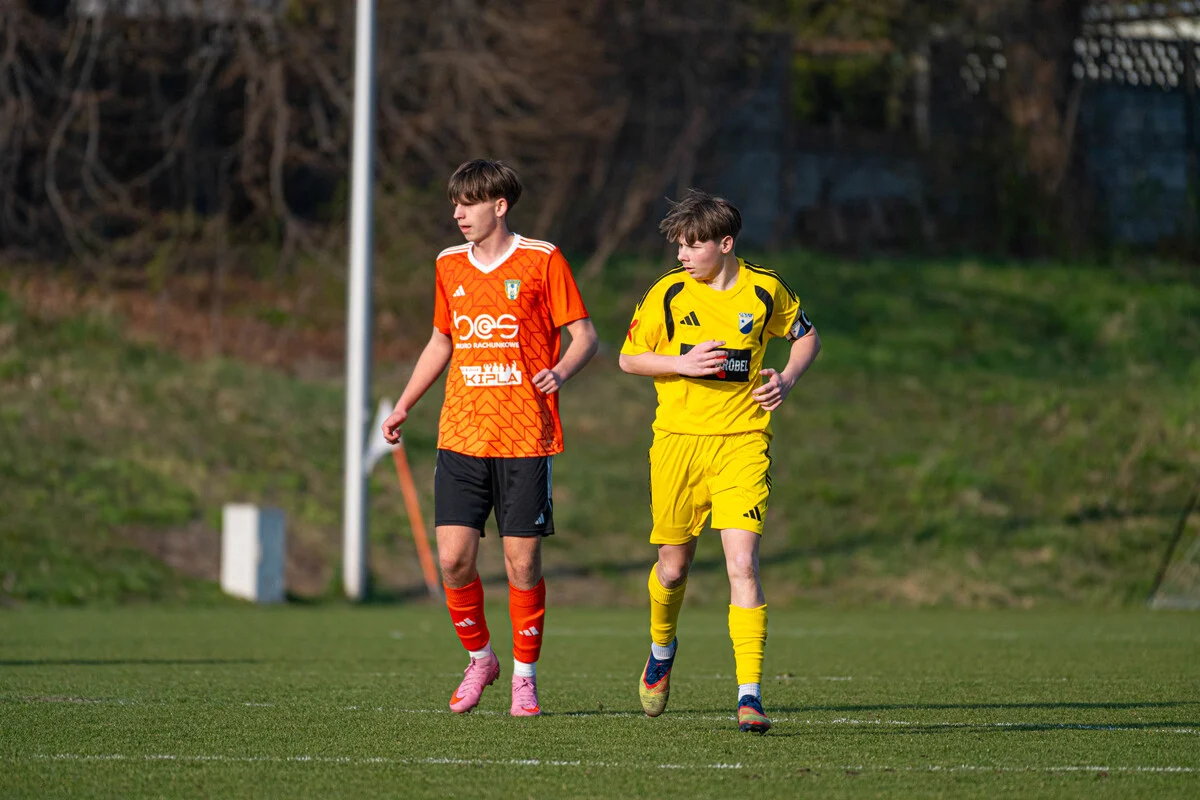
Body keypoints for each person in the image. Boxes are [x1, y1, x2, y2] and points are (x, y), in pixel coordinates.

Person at [382, 159, 598, 717]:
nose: (457, 213)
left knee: (522, 565)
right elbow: (440, 341)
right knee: (453, 560)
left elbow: (585, 336)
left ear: (499, 206)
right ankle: (481, 658)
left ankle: (525, 678)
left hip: (526, 435)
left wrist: (563, 372)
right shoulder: (448, 265)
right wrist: (405, 404)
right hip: (461, 433)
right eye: (454, 203)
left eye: (469, 203)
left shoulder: (541, 259)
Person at [618, 189, 821, 733]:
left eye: (692, 245)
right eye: (678, 246)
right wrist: (680, 363)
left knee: (742, 565)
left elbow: (806, 337)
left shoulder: (765, 289)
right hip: (679, 443)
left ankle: (750, 696)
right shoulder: (667, 294)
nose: (681, 255)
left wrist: (788, 377)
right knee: (673, 567)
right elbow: (628, 357)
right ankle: (661, 650)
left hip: (742, 443)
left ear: (725, 244)